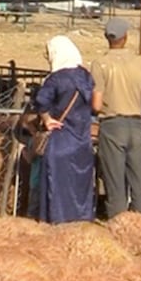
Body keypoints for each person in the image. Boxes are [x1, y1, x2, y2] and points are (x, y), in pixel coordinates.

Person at [89, 17, 141, 218]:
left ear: (107, 38)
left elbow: (97, 104)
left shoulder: (100, 64)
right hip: (135, 124)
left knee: (114, 182)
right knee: (138, 182)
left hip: (112, 124)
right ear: (125, 37)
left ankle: (118, 222)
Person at [33, 35, 96, 224]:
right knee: (80, 189)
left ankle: (57, 227)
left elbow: (41, 102)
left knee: (57, 190)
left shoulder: (56, 79)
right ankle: (82, 225)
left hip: (61, 142)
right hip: (82, 143)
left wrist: (46, 119)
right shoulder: (86, 76)